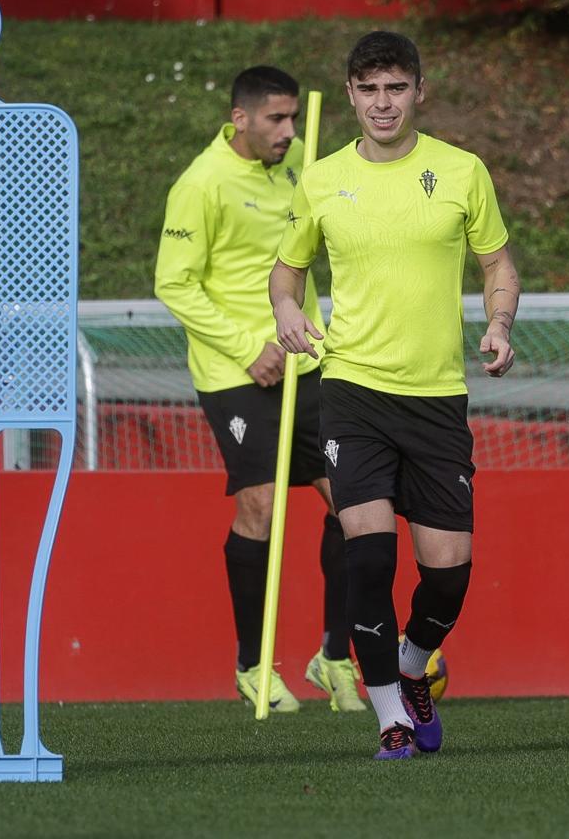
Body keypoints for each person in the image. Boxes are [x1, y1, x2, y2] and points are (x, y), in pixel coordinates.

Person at [270, 31, 520, 759]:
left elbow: (498, 262)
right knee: (369, 556)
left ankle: (412, 667)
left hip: (438, 396)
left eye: (396, 88)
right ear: (350, 94)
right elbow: (287, 272)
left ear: (419, 92)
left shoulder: (462, 171)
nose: (383, 103)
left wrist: (500, 321)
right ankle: (389, 719)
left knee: (448, 575)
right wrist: (287, 309)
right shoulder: (319, 180)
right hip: (351, 389)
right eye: (369, 89)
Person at [154, 66, 364, 714]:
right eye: (276, 119)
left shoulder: (302, 161)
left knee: (356, 509)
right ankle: (251, 666)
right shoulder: (201, 184)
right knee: (263, 507)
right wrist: (249, 349)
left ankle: (333, 658)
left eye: (294, 118)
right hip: (236, 372)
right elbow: (174, 283)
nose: (289, 131)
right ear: (240, 119)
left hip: (310, 359)